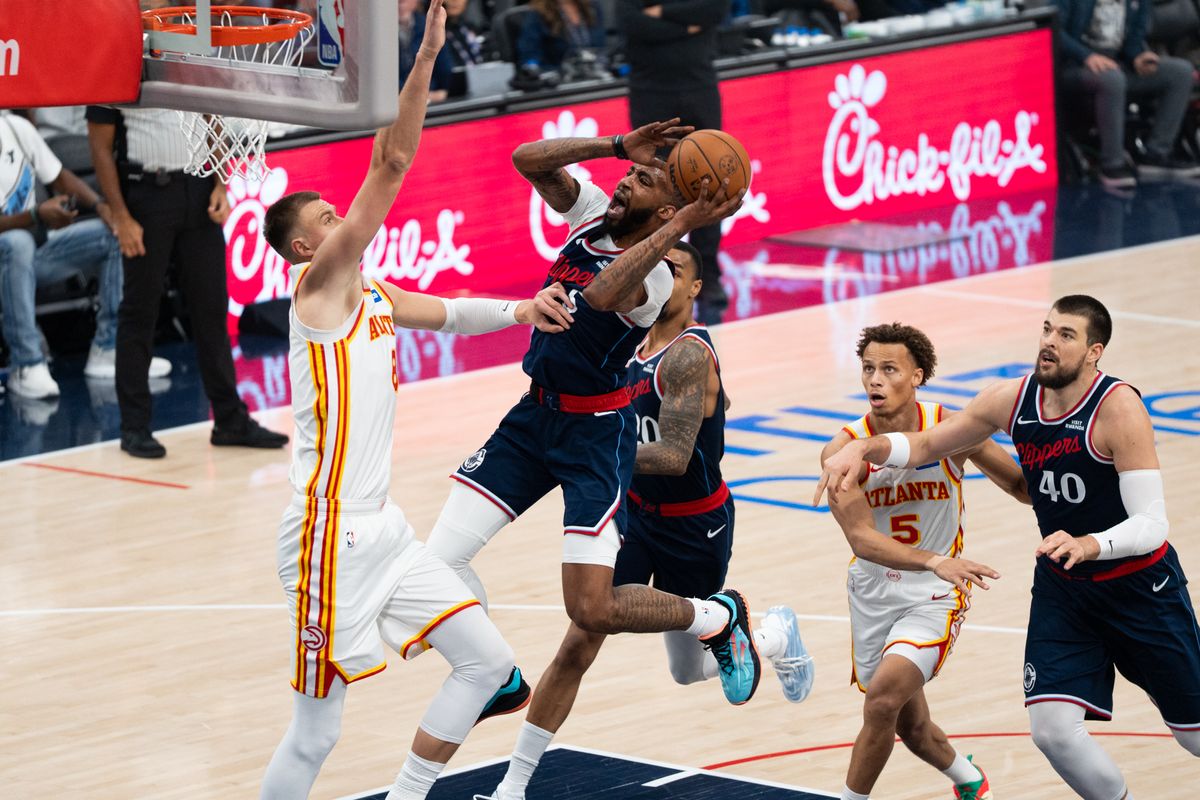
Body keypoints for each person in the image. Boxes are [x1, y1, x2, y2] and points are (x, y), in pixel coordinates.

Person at [255, 5, 574, 798]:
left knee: (491, 663)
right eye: (326, 219)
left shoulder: (374, 295)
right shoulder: (318, 288)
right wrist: (424, 54)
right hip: (328, 538)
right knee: (317, 729)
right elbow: (392, 162)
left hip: (384, 532)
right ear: (305, 248)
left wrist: (523, 311)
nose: (340, 219)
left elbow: (453, 310)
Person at [424, 120, 758, 726]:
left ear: (668, 212)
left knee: (591, 612)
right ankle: (495, 673)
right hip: (533, 417)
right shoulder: (595, 213)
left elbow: (603, 296)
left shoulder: (656, 278)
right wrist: (612, 146)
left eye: (647, 180)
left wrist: (680, 225)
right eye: (631, 172)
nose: (627, 180)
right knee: (436, 560)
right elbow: (527, 159)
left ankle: (716, 616)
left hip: (594, 433)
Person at [816, 296, 1200, 799]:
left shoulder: (1119, 407)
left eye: (1065, 335)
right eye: (1046, 329)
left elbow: (1151, 525)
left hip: (1138, 587)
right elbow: (929, 445)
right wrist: (866, 446)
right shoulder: (1009, 400)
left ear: (1093, 352)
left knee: (1193, 736)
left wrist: (1087, 543)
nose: (1048, 341)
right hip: (1065, 589)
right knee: (1052, 731)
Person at [479, 243, 814, 800]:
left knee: (687, 673)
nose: (662, 278)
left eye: (675, 271)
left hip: (693, 523)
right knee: (580, 637)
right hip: (633, 514)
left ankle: (772, 635)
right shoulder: (627, 345)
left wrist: (588, 449)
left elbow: (676, 455)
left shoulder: (687, 356)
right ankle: (514, 784)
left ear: (693, 290)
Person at [821, 323, 1032, 800]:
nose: (875, 379)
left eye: (889, 369)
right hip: (875, 590)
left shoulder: (952, 430)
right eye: (868, 368)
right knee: (911, 727)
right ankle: (970, 780)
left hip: (935, 593)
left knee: (881, 704)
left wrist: (1070, 479)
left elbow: (1022, 488)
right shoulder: (840, 452)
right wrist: (934, 559)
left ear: (917, 376)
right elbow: (861, 540)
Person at [86, 105, 288, 458]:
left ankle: (230, 420)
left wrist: (221, 183)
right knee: (139, 311)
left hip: (197, 189)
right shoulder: (115, 67)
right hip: (145, 193)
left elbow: (211, 118)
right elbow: (100, 148)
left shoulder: (188, 55)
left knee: (211, 309)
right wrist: (120, 216)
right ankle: (134, 427)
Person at [0, 109, 159, 399]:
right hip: (9, 254)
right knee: (18, 242)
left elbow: (60, 177)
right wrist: (35, 215)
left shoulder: (13, 126)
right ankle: (26, 364)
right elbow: (29, 223)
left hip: (32, 253)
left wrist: (102, 207)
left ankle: (108, 348)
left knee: (112, 233)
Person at [615, 0, 731, 324]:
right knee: (653, 184)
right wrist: (687, 25)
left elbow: (713, 11)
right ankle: (654, 275)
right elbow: (632, 24)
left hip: (699, 86)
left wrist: (661, 14)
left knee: (710, 181)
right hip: (651, 91)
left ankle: (707, 274)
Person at [1056, 0, 1200, 189]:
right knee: (1112, 79)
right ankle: (1111, 164)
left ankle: (1155, 153)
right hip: (1074, 67)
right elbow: (1055, 31)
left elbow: (1133, 40)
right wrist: (1086, 56)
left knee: (1180, 72)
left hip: (1116, 66)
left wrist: (1138, 57)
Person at [516, 0, 607, 73]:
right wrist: (533, 70)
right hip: (559, 82)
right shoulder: (537, 14)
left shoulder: (592, 7)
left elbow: (601, 48)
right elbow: (529, 55)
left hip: (595, 75)